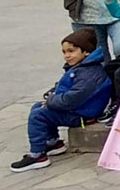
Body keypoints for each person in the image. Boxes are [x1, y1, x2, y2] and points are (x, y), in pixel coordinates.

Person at [10, 29, 111, 172]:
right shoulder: (81, 67)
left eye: (71, 51)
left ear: (86, 52)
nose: (67, 56)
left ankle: (37, 155)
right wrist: (51, 94)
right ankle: (52, 142)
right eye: (64, 52)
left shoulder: (90, 74)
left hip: (83, 115)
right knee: (38, 107)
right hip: (78, 109)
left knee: (39, 114)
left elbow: (72, 98)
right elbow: (64, 87)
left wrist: (51, 100)